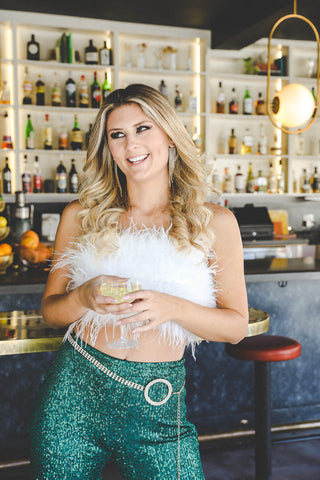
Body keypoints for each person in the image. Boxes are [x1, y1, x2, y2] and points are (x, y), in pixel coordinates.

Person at [29, 83, 248, 480]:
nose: (131, 145)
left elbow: (235, 328)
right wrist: (83, 297)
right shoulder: (80, 215)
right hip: (74, 393)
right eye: (118, 135)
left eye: (143, 129)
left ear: (169, 135)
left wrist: (173, 307)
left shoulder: (214, 222)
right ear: (108, 148)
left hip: (158, 400)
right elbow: (51, 313)